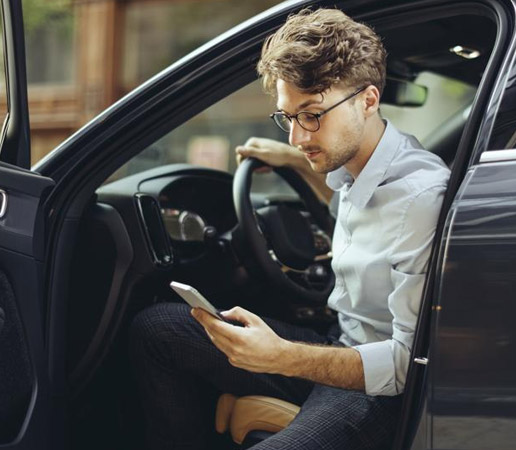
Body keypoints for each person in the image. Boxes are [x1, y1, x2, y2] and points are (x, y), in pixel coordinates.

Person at [129, 7, 450, 450]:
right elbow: (349, 203)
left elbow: (408, 365)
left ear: (369, 99)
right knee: (158, 330)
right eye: (288, 117)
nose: (297, 137)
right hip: (338, 344)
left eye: (312, 114)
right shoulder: (357, 166)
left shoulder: (420, 198)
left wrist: (282, 357)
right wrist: (297, 162)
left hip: (381, 390)